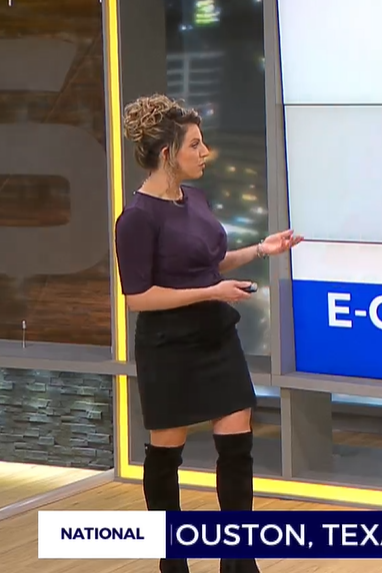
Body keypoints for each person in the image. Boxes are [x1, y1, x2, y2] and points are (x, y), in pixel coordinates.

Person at [114, 94, 302, 573]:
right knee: (166, 453)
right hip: (169, 348)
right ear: (167, 154)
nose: (206, 152)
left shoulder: (195, 199)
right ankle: (172, 559)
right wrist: (211, 292)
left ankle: (238, 561)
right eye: (195, 144)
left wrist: (261, 249)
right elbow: (138, 297)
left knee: (237, 447)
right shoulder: (136, 219)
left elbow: (209, 263)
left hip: (217, 337)